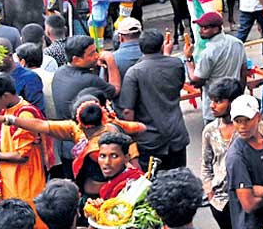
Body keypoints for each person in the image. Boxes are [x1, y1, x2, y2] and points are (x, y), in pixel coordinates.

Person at [0, 93, 146, 200]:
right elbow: (42, 125)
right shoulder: (79, 129)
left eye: (111, 156)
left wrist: (132, 155)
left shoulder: (98, 147)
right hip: (91, 196)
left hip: (112, 196)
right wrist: (9, 119)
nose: (106, 161)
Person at [119, 28, 189, 169]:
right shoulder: (176, 64)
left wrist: (132, 140)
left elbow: (127, 111)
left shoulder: (134, 73)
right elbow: (178, 86)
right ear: (162, 45)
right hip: (176, 134)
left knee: (153, 184)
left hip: (149, 139)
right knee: (179, 181)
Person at [0, 74, 47, 205]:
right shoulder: (6, 110)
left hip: (24, 182)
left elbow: (22, 156)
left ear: (5, 96)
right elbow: (4, 142)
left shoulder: (24, 115)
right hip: (9, 179)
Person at [225, 94, 263, 229]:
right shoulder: (236, 156)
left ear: (258, 117)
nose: (242, 126)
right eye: (238, 121)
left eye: (247, 120)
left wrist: (262, 191)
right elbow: (249, 204)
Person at [200, 77, 245, 229]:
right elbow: (206, 163)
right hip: (219, 201)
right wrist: (209, 190)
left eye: (218, 101)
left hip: (245, 198)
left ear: (233, 102)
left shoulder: (248, 128)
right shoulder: (210, 131)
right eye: (211, 101)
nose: (212, 106)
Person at [189, 12, 248, 123]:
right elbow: (244, 72)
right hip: (233, 102)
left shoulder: (208, 52)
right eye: (200, 27)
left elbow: (196, 81)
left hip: (214, 107)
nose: (200, 30)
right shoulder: (237, 43)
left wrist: (188, 60)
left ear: (216, 29)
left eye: (205, 28)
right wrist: (239, 96)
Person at [95, 130, 143, 200]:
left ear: (126, 158)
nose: (107, 162)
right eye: (103, 156)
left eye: (114, 156)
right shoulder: (109, 185)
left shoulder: (134, 185)